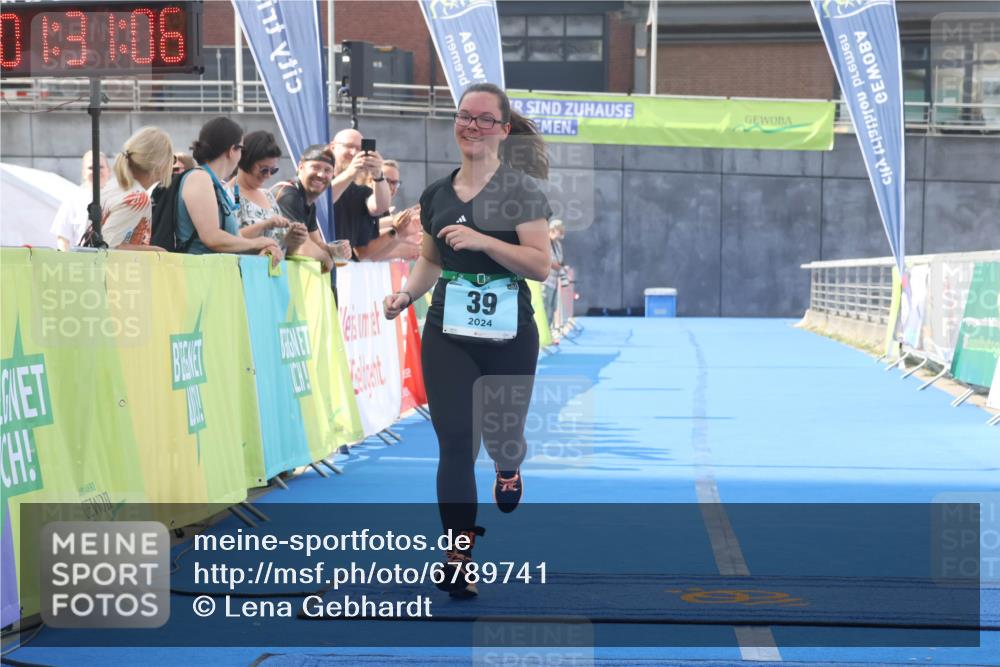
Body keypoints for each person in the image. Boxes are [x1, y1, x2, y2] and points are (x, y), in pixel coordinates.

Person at [382, 82, 551, 598]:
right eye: (464, 117)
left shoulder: (521, 191)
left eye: (483, 119)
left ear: (503, 130)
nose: (471, 126)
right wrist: (407, 296)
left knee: (502, 437)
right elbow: (431, 260)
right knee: (456, 444)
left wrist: (482, 240)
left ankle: (508, 464)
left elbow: (541, 266)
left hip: (508, 334)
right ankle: (458, 556)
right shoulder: (436, 194)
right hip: (448, 332)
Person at [176, 117, 282, 262]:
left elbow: (232, 238)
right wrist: (257, 242)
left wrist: (265, 246)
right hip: (198, 275)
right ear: (232, 150)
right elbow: (212, 237)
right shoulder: (200, 178)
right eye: (241, 149)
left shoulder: (212, 182)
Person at [80, 128, 173, 250]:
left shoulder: (113, 186)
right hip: (113, 268)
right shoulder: (138, 198)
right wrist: (154, 251)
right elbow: (108, 247)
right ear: (159, 165)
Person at [226, 131, 308, 256]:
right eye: (264, 169)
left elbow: (282, 248)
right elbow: (229, 238)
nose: (268, 175)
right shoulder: (232, 194)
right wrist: (265, 224)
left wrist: (292, 239)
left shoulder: (268, 195)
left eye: (273, 170)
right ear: (246, 161)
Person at [272, 144, 351, 273]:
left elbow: (316, 242)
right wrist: (326, 258)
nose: (321, 174)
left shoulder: (308, 201)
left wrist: (333, 251)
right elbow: (300, 247)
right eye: (315, 167)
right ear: (300, 167)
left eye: (327, 170)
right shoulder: (289, 195)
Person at [327, 129, 394, 260]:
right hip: (318, 261)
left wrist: (378, 175)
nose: (354, 153)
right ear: (332, 147)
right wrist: (351, 173)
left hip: (345, 266)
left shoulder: (360, 191)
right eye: (349, 146)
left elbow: (380, 207)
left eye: (359, 149)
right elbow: (322, 200)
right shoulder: (318, 181)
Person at [50, 151, 109, 250]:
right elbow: (63, 237)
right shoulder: (72, 200)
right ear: (83, 173)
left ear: (109, 170)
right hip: (81, 260)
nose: (96, 170)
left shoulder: (117, 199)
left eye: (100, 167)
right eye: (90, 168)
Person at [543, 219, 566, 326]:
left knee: (552, 308)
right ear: (552, 230)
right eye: (559, 231)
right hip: (545, 281)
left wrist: (561, 267)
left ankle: (549, 332)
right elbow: (544, 259)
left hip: (554, 282)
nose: (560, 235)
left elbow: (559, 261)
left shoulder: (558, 245)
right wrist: (556, 266)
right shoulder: (543, 242)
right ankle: (543, 334)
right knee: (545, 307)